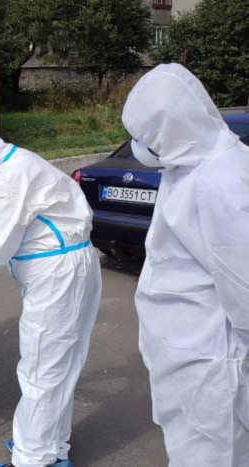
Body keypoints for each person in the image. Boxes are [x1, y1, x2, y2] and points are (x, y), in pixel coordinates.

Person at [0, 119, 102, 467]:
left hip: (58, 278)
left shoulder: (10, 178)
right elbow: (5, 232)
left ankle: (32, 459)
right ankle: (51, 448)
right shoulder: (18, 161)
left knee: (41, 370)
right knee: (60, 366)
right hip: (72, 267)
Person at [122, 63, 249, 466]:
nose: (141, 147)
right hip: (185, 352)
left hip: (209, 365)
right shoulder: (191, 163)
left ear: (172, 129)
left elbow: (243, 286)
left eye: (145, 137)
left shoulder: (220, 180)